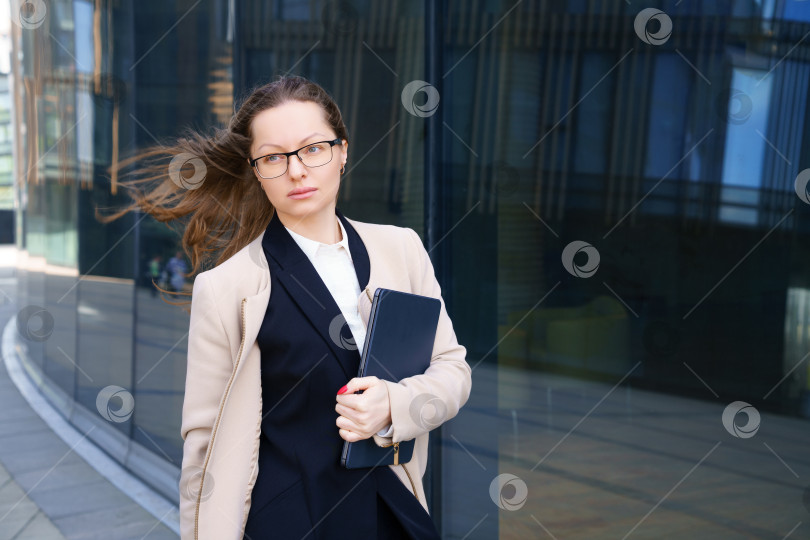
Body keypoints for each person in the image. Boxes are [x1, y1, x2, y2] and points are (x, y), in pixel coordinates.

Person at [100, 74, 472, 540]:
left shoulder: (401, 249)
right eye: (274, 157)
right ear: (257, 170)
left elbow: (452, 371)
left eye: (312, 149)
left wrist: (394, 406)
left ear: (342, 152)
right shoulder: (227, 288)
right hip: (287, 522)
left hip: (391, 511)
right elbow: (204, 444)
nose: (296, 171)